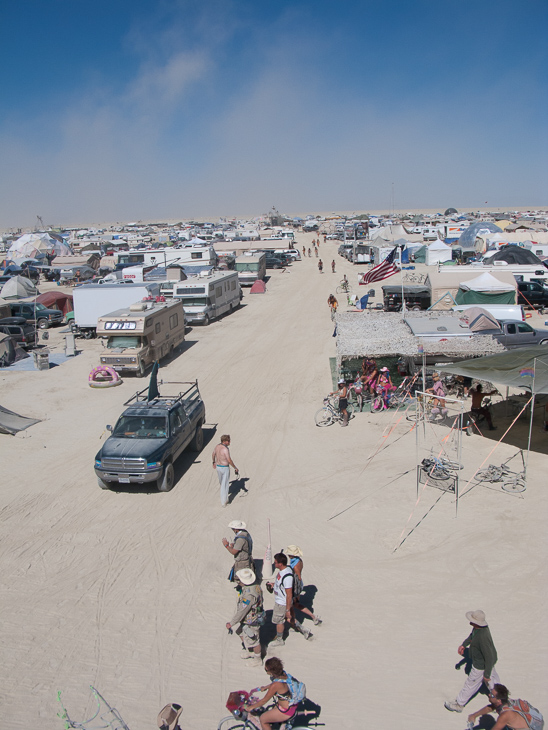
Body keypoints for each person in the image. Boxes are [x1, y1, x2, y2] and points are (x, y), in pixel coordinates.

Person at [444, 609, 502, 713]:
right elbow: (472, 637)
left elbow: (488, 657)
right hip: (489, 662)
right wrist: (464, 645)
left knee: (471, 683)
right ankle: (501, 702)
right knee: (494, 682)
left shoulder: (483, 637)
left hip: (481, 665)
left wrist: (486, 674)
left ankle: (459, 704)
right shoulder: (478, 629)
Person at [245, 657, 303, 730]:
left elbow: (264, 701)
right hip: (292, 704)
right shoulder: (284, 674)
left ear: (271, 672)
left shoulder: (275, 685)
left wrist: (251, 707)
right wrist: (266, 687)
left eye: (266, 670)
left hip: (286, 710)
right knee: (271, 711)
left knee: (263, 719)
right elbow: (279, 684)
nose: (266, 671)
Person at [267, 553, 312, 645]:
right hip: (282, 601)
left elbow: (289, 594)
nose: (274, 564)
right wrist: (273, 585)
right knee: (288, 618)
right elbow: (281, 585)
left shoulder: (287, 577)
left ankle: (279, 640)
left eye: (276, 562)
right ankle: (304, 629)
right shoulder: (285, 570)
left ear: (280, 564)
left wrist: (287, 609)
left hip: (282, 603)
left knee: (279, 621)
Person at [226, 568, 264, 667]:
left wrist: (232, 622)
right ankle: (250, 650)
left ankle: (257, 658)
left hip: (251, 620)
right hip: (252, 617)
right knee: (240, 632)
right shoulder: (256, 586)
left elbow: (242, 611)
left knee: (254, 640)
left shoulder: (249, 595)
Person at [467, 684, 544, 730]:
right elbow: (490, 708)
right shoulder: (506, 701)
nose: (489, 695)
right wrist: (474, 715)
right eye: (490, 692)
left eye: (492, 695)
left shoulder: (505, 715)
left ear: (499, 700)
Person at [283, 546, 322, 626]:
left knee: (293, 605)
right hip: (298, 585)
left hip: (296, 586)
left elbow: (298, 577)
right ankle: (313, 617)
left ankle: (295, 623)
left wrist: (294, 590)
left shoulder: (296, 564)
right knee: (295, 605)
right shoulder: (298, 560)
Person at [212, 435, 239, 507]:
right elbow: (229, 460)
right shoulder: (225, 449)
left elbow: (213, 454)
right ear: (224, 441)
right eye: (228, 441)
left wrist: (213, 462)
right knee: (225, 484)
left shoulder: (217, 446)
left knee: (222, 483)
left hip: (218, 467)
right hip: (224, 467)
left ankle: (224, 498)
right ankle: (224, 501)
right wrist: (235, 467)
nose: (229, 442)